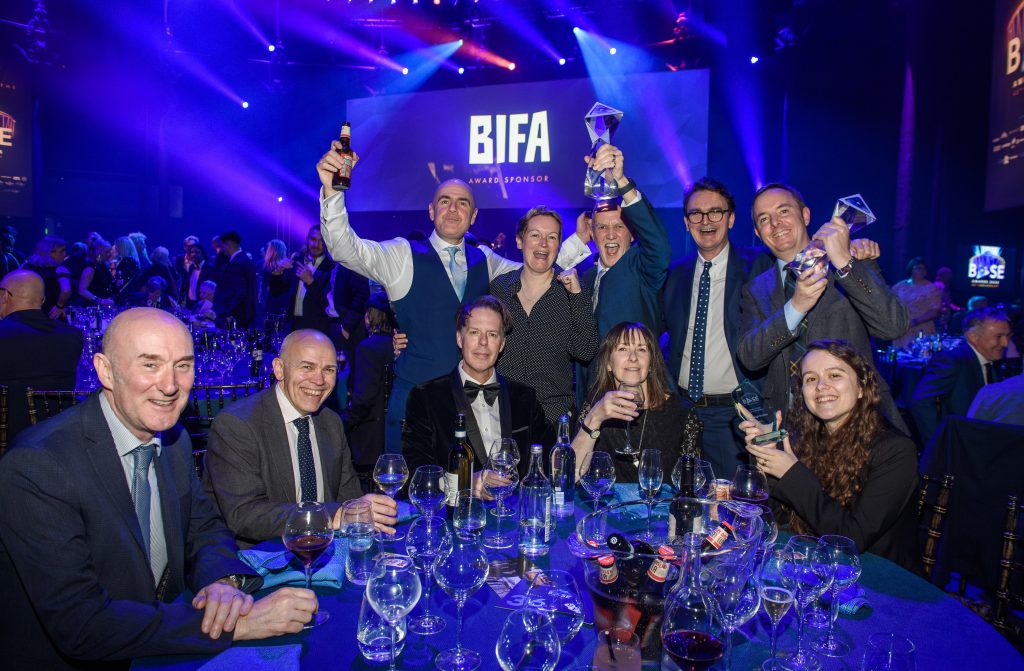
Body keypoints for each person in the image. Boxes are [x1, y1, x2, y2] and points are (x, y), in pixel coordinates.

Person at [0, 308, 319, 669]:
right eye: (150, 365)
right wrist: (239, 625)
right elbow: (82, 624)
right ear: (106, 371)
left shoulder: (172, 439)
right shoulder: (38, 465)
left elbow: (203, 527)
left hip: (160, 645)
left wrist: (222, 583)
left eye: (182, 366)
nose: (170, 385)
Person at [316, 144, 589, 455]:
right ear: (431, 211)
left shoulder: (484, 259)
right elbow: (346, 249)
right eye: (444, 201)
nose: (453, 209)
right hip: (413, 406)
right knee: (408, 485)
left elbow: (536, 265)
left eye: (463, 203)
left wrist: (579, 240)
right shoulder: (402, 255)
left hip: (467, 412)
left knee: (466, 482)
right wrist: (333, 192)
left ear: (473, 216)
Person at [738, 182, 909, 433]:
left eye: (784, 211)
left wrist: (844, 261)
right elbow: (750, 358)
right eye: (764, 219)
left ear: (805, 215)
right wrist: (796, 307)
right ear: (757, 232)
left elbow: (893, 326)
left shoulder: (851, 261)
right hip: (789, 427)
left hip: (856, 423)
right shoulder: (756, 289)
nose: (775, 223)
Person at [203, 329, 396, 547]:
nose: (319, 380)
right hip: (264, 554)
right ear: (279, 369)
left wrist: (359, 512)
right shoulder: (237, 425)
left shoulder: (331, 422)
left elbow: (348, 496)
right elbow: (244, 514)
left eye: (329, 370)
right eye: (307, 367)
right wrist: (331, 516)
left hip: (325, 550)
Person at [740, 339, 919, 570]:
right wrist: (767, 453)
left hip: (877, 576)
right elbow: (777, 520)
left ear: (861, 388)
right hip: (814, 561)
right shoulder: (806, 440)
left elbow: (851, 539)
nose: (821, 386)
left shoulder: (896, 451)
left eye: (834, 375)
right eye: (810, 379)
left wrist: (791, 472)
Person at [663, 177, 774, 479]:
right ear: (686, 222)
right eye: (696, 214)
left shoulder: (759, 266)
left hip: (732, 414)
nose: (706, 221)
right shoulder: (676, 274)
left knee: (729, 499)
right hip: (681, 409)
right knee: (680, 494)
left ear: (731, 218)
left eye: (715, 212)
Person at [403, 295, 550, 487]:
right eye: (474, 332)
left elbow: (549, 461)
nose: (483, 342)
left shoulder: (525, 398)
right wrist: (466, 485)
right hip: (455, 506)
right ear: (459, 338)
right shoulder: (425, 398)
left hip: (514, 505)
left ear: (502, 344)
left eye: (492, 334)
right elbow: (418, 475)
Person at [489, 206, 599, 423]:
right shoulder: (499, 289)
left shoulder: (573, 290)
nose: (543, 243)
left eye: (552, 237)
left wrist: (577, 296)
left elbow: (585, 351)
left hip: (553, 417)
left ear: (558, 245)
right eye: (535, 235)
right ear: (519, 241)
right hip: (502, 414)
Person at [571, 322, 703, 483]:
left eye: (641, 349)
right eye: (623, 349)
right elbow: (571, 477)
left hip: (661, 500)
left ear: (651, 364)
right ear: (608, 364)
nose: (633, 357)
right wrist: (595, 418)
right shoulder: (596, 403)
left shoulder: (681, 411)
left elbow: (692, 482)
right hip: (606, 499)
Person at [578, 144, 672, 339]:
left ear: (633, 234)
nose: (610, 235)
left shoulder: (643, 268)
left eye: (619, 226)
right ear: (592, 233)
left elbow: (658, 244)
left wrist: (620, 180)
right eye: (602, 227)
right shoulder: (585, 279)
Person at [0, 269, 84, 443]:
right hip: (60, 436)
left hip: (8, 439)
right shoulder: (72, 336)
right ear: (43, 300)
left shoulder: (4, 336)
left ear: (4, 296)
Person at [911, 307, 1013, 442]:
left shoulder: (990, 363)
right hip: (959, 445)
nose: (1005, 343)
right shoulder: (954, 361)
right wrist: (939, 443)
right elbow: (921, 401)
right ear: (973, 336)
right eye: (998, 336)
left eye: (1008, 336)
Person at [290, 224, 368, 355]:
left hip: (341, 326)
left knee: (341, 363)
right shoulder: (333, 264)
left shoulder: (352, 264)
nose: (321, 244)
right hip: (328, 325)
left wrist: (346, 327)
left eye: (324, 241)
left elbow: (362, 297)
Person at [343, 293, 397, 482]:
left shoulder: (367, 348)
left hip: (371, 433)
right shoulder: (395, 345)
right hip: (390, 430)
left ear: (368, 316)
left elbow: (364, 396)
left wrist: (346, 421)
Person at [891, 257, 943, 349]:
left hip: (922, 328)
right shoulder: (900, 286)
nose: (922, 271)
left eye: (924, 269)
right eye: (918, 268)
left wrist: (914, 322)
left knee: (920, 354)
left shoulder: (931, 288)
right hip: (902, 329)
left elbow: (935, 311)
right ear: (911, 269)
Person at [20, 234, 72, 319]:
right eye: (62, 251)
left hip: (28, 314)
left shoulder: (25, 266)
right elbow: (66, 290)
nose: (65, 254)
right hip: (51, 315)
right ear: (50, 252)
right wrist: (60, 306)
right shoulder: (59, 270)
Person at [212, 231, 257, 329]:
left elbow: (238, 292)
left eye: (222, 247)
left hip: (237, 316)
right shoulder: (245, 260)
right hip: (243, 313)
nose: (221, 251)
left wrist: (228, 313)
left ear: (228, 245)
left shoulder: (237, 263)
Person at [260, 238, 293, 322]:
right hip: (287, 302)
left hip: (271, 301)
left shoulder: (267, 267)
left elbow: (267, 287)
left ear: (271, 251)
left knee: (271, 325)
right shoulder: (289, 265)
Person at [110, 235, 142, 302]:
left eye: (116, 246)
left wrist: (112, 266)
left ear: (120, 248)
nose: (114, 248)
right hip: (130, 295)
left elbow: (117, 280)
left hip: (124, 298)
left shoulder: (126, 262)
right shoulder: (132, 261)